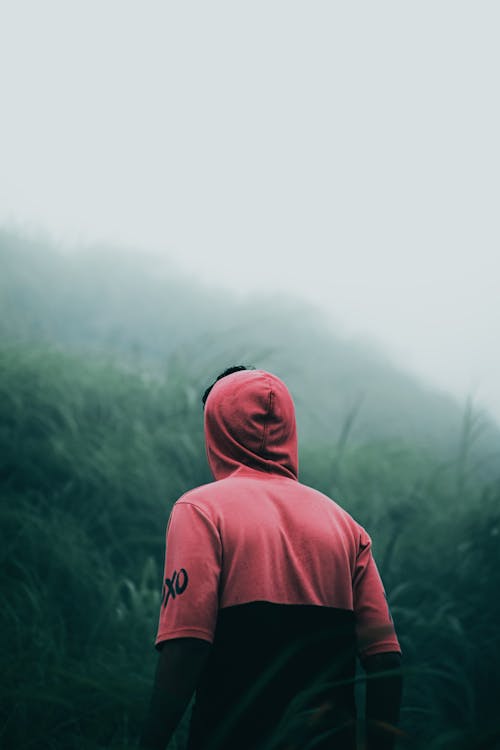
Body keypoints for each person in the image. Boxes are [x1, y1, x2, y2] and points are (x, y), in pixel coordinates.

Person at [141, 366, 402, 750]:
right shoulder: (346, 526)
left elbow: (187, 647)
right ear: (288, 429)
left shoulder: (200, 510)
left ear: (216, 429)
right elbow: (386, 662)